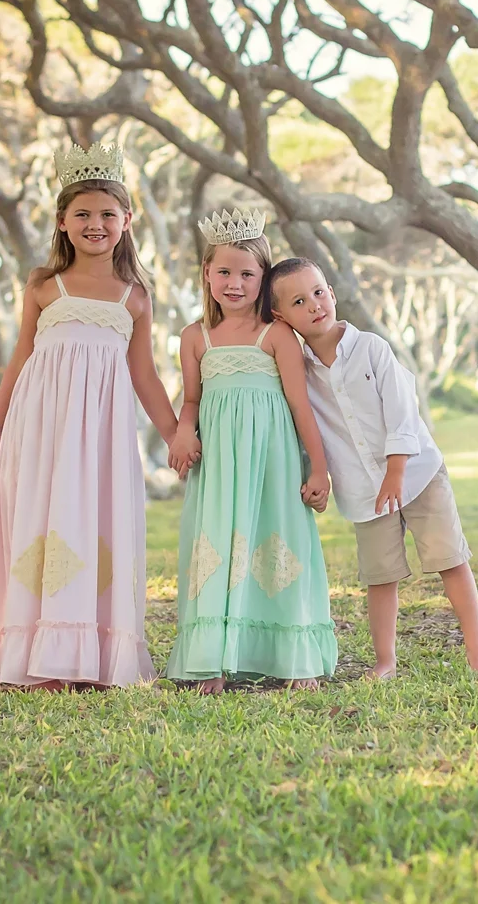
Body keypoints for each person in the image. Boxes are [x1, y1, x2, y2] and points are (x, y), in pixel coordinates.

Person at [0, 142, 183, 690]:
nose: (95, 224)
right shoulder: (43, 286)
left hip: (103, 433)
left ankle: (91, 652)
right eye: (82, 214)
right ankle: (39, 652)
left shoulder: (134, 298)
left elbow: (145, 376)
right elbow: (21, 357)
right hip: (43, 427)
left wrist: (177, 434)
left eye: (107, 214)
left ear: (127, 222)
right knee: (41, 518)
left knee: (95, 521)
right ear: (62, 222)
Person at [268, 257, 478, 679]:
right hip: (362, 490)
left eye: (319, 292)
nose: (314, 305)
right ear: (282, 316)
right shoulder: (299, 373)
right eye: (300, 301)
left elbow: (403, 412)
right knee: (380, 577)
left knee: (450, 560)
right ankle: (385, 662)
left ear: (332, 293)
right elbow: (304, 426)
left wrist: (396, 470)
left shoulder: (371, 348)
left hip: (418, 474)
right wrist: (315, 475)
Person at [164, 210, 337, 693]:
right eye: (224, 272)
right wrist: (183, 431)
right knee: (218, 546)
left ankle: (295, 658)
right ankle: (214, 661)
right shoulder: (194, 338)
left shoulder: (276, 335)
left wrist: (318, 468)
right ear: (206, 273)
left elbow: (302, 407)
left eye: (247, 273)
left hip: (274, 461)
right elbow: (193, 399)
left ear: (263, 279)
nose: (234, 283)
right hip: (219, 464)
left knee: (279, 544)